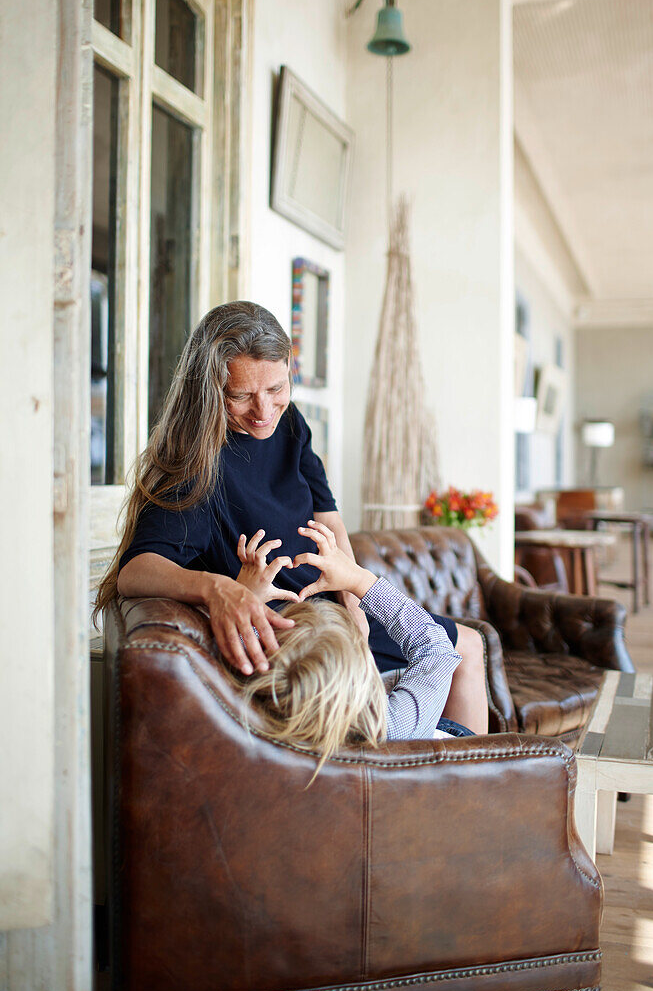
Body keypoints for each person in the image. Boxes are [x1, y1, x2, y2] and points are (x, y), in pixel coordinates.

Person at [95, 300, 489, 733]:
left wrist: (353, 601)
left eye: (276, 389)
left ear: (289, 368)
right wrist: (217, 589)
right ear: (208, 389)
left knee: (468, 645)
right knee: (456, 652)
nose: (263, 412)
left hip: (332, 608)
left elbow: (330, 519)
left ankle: (461, 776)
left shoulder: (291, 424)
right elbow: (135, 571)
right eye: (240, 395)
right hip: (297, 634)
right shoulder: (196, 464)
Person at [233, 520, 469, 776]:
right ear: (364, 666)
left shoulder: (264, 713)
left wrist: (247, 597)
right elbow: (436, 648)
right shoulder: (396, 726)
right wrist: (359, 580)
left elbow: (246, 665)